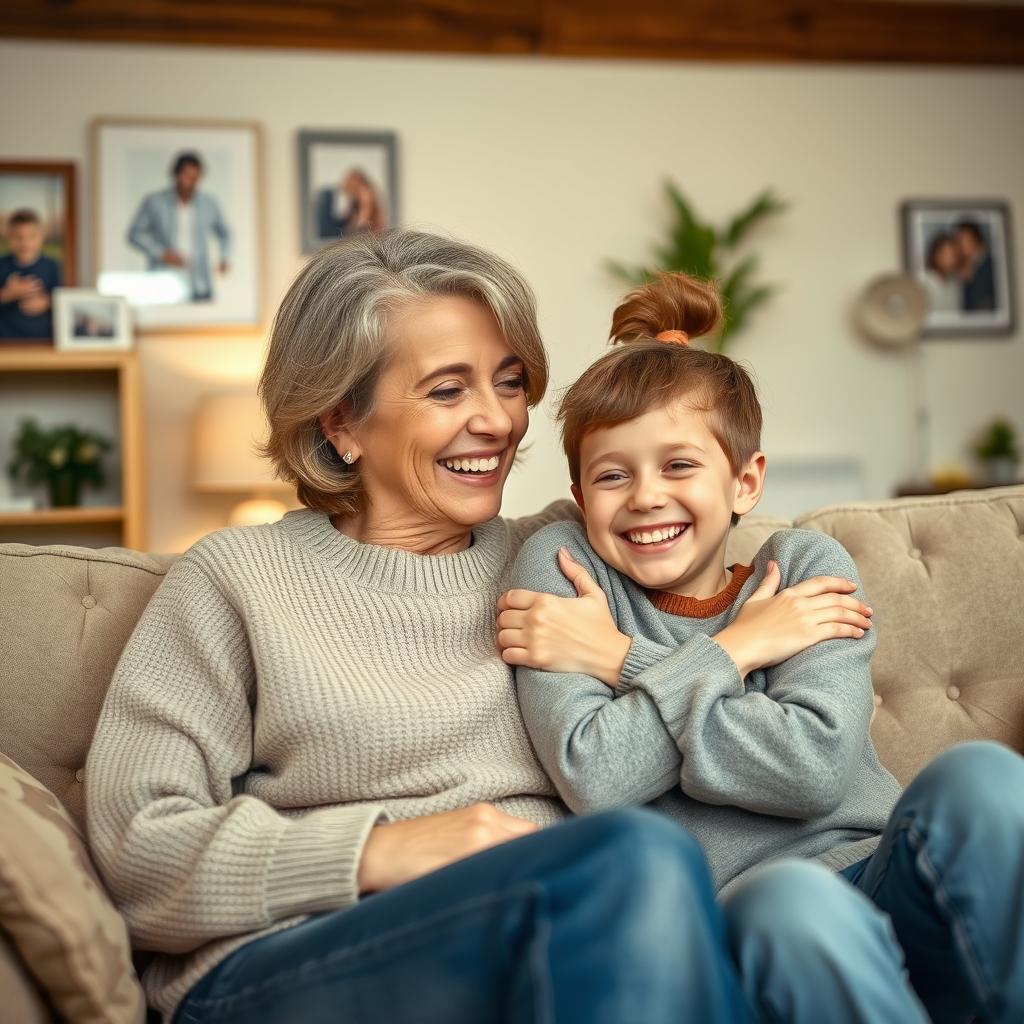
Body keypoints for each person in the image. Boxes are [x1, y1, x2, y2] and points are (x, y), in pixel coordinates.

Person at [85, 232, 754, 1024]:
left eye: (510, 383)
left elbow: (712, 545)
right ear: (342, 422)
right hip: (298, 959)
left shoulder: (573, 554)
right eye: (447, 391)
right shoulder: (237, 580)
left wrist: (751, 636)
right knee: (637, 860)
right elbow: (137, 848)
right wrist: (377, 850)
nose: (498, 420)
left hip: (557, 941)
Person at [500, 272, 1024, 1024]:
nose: (646, 495)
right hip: (751, 916)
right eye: (612, 475)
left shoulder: (806, 568)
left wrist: (624, 663)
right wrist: (738, 652)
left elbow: (813, 769)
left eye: (680, 465)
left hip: (884, 874)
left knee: (981, 775)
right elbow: (598, 774)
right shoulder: (566, 571)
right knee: (794, 901)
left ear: (744, 482)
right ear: (582, 499)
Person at [126, 151, 230, 302]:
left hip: (198, 281)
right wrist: (162, 253)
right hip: (163, 280)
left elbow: (225, 233)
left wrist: (224, 257)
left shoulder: (209, 203)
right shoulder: (154, 201)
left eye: (196, 178)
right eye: (187, 176)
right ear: (176, 174)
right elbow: (135, 234)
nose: (191, 182)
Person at [0, 208, 61, 338]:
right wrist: (7, 294)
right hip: (5, 341)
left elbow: (62, 299)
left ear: (41, 237)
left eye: (32, 236)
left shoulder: (52, 266)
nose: (24, 242)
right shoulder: (1, 265)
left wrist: (46, 303)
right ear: (8, 237)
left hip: (42, 340)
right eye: (17, 236)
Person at [314, 167, 387, 240]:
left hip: (373, 236)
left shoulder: (365, 194)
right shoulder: (356, 197)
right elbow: (352, 219)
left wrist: (353, 230)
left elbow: (363, 222)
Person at [955, 219, 997, 311]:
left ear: (976, 238)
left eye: (961, 239)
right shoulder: (967, 267)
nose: (958, 245)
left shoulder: (992, 266)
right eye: (957, 240)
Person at [920, 230, 961, 313]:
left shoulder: (956, 282)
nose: (951, 260)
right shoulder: (924, 280)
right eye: (947, 254)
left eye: (954, 255)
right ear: (935, 255)